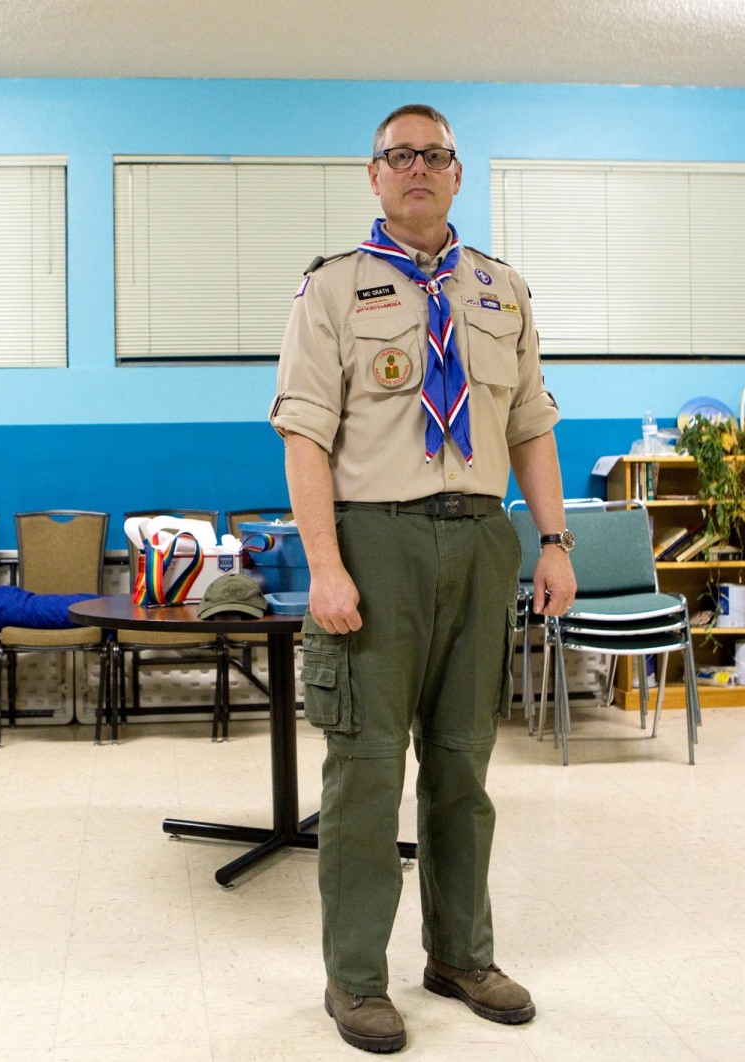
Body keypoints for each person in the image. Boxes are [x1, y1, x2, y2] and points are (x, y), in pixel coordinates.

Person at [269, 103, 576, 1054]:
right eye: (398, 156)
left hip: (480, 539)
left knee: (461, 767)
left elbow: (530, 425)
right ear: (374, 175)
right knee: (366, 772)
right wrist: (326, 565)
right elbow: (304, 435)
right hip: (376, 542)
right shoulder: (331, 289)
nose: (417, 169)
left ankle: (461, 957)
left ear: (455, 173)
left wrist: (555, 542)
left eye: (434, 156)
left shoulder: (501, 290)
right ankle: (356, 979)